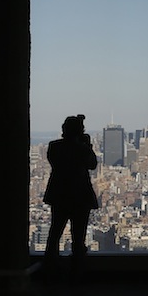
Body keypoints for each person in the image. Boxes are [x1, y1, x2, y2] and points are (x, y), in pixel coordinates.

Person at [43, 115, 98, 269]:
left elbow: (54, 161)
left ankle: (50, 267)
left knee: (55, 232)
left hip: (59, 194)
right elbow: (92, 164)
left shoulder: (54, 146)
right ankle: (78, 268)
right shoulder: (82, 148)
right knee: (78, 236)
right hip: (80, 195)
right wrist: (87, 145)